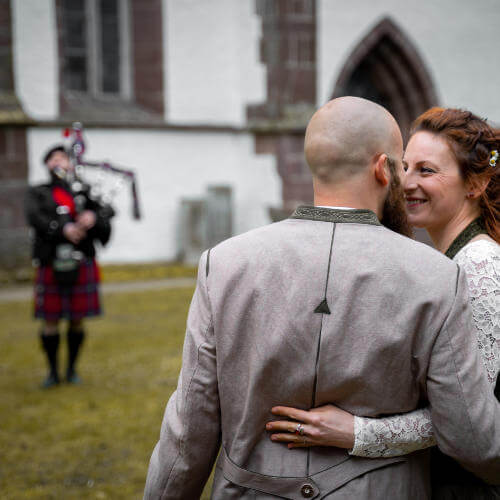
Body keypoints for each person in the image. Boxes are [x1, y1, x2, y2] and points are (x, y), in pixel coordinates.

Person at [144, 98, 500, 499]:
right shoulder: (436, 276)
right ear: (384, 169)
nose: (409, 180)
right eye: (403, 166)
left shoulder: (223, 263)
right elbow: (474, 437)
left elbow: (189, 430)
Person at [266, 107, 500, 497]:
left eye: (427, 171)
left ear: (473, 184)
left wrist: (356, 433)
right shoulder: (449, 259)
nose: (406, 182)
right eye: (405, 166)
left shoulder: (480, 265)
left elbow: (469, 419)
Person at [25, 145, 114, 388]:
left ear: (71, 165)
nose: (59, 162)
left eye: (63, 158)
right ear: (46, 164)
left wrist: (93, 218)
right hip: (51, 261)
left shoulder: (83, 191)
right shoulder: (38, 192)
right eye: (53, 158)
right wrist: (64, 228)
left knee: (77, 319)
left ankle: (72, 370)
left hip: (81, 259)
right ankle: (53, 372)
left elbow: (108, 210)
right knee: (51, 320)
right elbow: (34, 217)